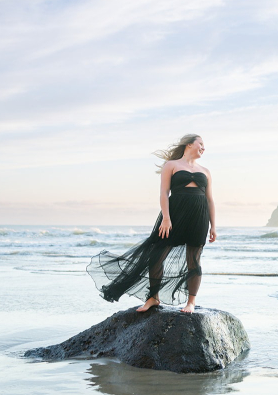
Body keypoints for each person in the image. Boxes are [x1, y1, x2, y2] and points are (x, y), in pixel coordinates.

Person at [87, 134, 217, 314]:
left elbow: (210, 200)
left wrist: (213, 226)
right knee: (157, 254)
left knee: (193, 259)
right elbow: (164, 193)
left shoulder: (206, 171)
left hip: (199, 216)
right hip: (174, 214)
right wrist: (166, 217)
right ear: (188, 144)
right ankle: (153, 297)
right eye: (201, 144)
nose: (204, 147)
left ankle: (191, 302)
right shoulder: (171, 165)